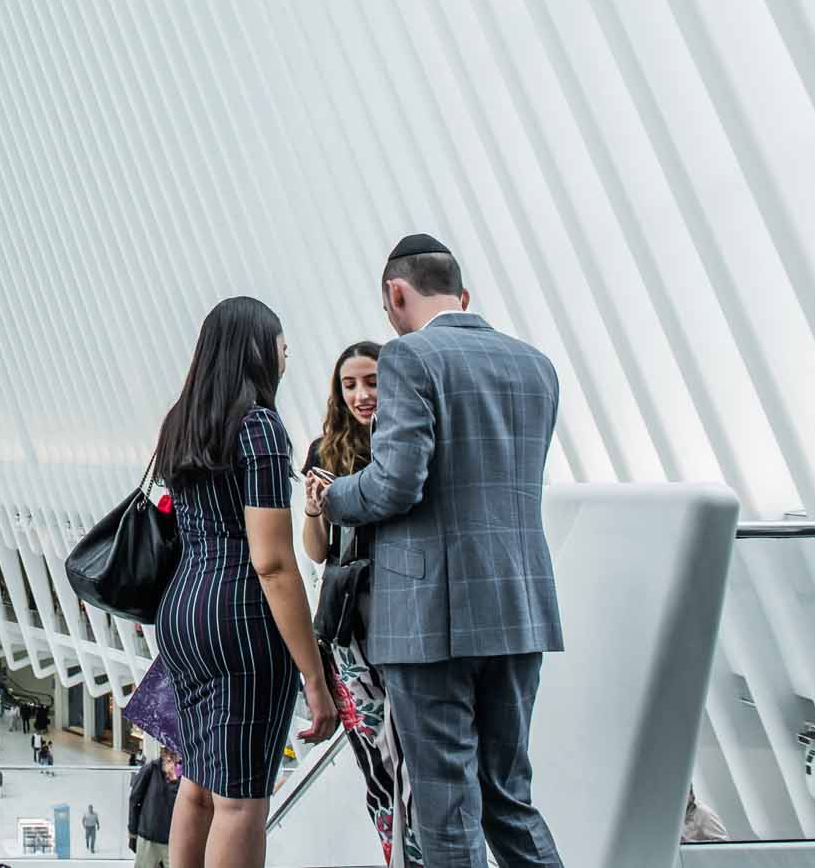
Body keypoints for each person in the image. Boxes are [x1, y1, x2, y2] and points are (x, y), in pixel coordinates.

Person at [309, 235, 566, 868]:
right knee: (509, 796)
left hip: (430, 622)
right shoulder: (536, 366)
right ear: (464, 294)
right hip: (518, 609)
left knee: (446, 805)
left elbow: (397, 481)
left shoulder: (410, 359)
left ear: (396, 293)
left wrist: (335, 496)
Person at [152, 297, 338, 868]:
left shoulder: (180, 423)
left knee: (199, 783)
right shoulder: (258, 427)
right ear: (257, 348)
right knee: (241, 801)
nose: (286, 356)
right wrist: (313, 676)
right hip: (239, 619)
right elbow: (273, 561)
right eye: (281, 344)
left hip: (183, 611)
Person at [302, 341, 425, 867]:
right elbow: (318, 551)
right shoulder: (324, 451)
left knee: (419, 762)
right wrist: (313, 509)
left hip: (405, 618)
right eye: (349, 384)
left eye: (372, 381)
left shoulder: (405, 445)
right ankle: (395, 856)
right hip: (349, 630)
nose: (361, 394)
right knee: (375, 765)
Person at [127, 749, 180, 868]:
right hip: (148, 839)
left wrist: (174, 779)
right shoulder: (150, 769)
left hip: (173, 843)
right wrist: (132, 833)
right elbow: (134, 800)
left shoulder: (184, 776)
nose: (170, 757)